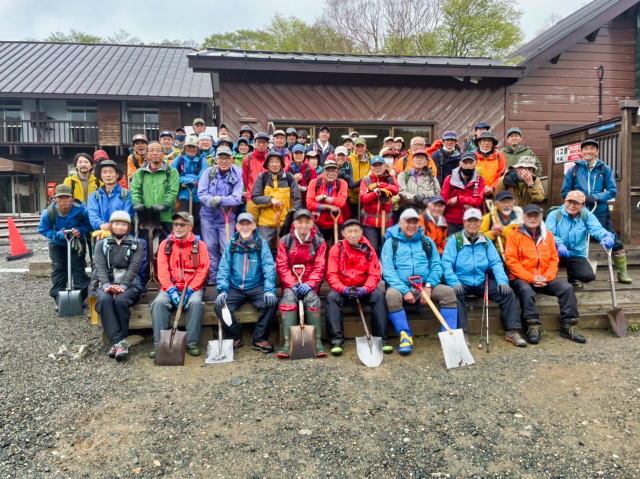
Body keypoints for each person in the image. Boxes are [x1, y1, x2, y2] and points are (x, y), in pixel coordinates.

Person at [442, 208, 525, 347]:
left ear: (481, 223)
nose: (472, 224)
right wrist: (453, 282)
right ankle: (463, 333)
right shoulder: (455, 240)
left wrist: (502, 281)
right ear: (464, 222)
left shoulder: (486, 241)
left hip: (481, 280)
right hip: (461, 281)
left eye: (476, 221)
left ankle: (512, 331)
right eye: (469, 221)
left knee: (508, 293)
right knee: (455, 295)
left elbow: (495, 262)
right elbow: (446, 263)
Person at [505, 204, 586, 344]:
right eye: (529, 215)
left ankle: (568, 326)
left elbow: (554, 259)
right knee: (525, 290)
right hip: (521, 278)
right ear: (523, 217)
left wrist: (547, 277)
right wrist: (531, 278)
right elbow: (511, 261)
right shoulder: (514, 235)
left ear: (541, 217)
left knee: (567, 288)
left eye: (535, 215)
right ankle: (532, 325)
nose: (532, 218)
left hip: (544, 277)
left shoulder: (548, 235)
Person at [381, 208, 457, 354]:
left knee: (448, 292)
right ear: (400, 223)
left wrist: (429, 286)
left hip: (425, 284)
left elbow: (436, 265)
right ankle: (405, 336)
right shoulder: (391, 243)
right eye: (408, 222)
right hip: (401, 285)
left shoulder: (426, 242)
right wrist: (404, 290)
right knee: (391, 295)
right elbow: (388, 270)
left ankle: (449, 335)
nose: (411, 225)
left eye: (415, 222)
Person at [560, 139, 630, 283]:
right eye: (586, 148)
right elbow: (565, 191)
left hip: (600, 212)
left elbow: (612, 191)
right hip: (578, 213)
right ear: (581, 151)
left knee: (615, 242)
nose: (589, 151)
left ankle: (622, 273)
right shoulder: (573, 170)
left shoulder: (605, 169)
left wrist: (595, 197)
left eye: (592, 148)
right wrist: (578, 197)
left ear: (597, 151)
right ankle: (574, 276)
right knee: (574, 243)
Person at [149, 212, 209, 358]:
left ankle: (192, 343)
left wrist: (190, 289)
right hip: (171, 286)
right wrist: (171, 290)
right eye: (175, 224)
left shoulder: (199, 245)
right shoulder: (166, 244)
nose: (178, 227)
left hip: (192, 287)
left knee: (196, 303)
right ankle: (159, 344)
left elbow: (202, 270)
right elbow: (162, 271)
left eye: (182, 224)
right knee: (158, 303)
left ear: (190, 226)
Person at [214, 212, 277, 353]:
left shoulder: (261, 243)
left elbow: (268, 267)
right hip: (235, 287)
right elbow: (223, 268)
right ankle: (235, 337)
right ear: (236, 226)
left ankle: (259, 339)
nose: (245, 227)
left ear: (254, 226)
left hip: (256, 286)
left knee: (271, 303)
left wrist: (269, 290)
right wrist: (222, 290)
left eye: (248, 224)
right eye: (241, 224)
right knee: (219, 306)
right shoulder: (231, 244)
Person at [326, 219, 389, 355]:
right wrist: (342, 289)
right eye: (349, 231)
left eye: (356, 231)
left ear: (361, 232)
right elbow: (331, 274)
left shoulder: (369, 249)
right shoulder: (336, 249)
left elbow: (374, 273)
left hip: (363, 287)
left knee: (379, 296)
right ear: (343, 233)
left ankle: (381, 339)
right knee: (332, 297)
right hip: (343, 287)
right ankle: (336, 341)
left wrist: (365, 289)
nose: (353, 235)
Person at [93, 211, 145, 360]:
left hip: (130, 284)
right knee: (105, 299)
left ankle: (115, 344)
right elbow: (100, 268)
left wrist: (123, 286)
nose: (120, 227)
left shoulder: (136, 244)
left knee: (121, 300)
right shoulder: (101, 244)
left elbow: (134, 268)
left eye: (123, 224)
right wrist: (107, 285)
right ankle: (120, 343)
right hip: (107, 283)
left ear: (128, 227)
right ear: (111, 225)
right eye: (116, 224)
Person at [275, 209, 327, 358]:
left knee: (313, 299)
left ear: (312, 223)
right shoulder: (285, 241)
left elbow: (320, 265)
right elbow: (282, 265)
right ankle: (288, 343)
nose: (303, 225)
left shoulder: (319, 242)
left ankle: (317, 341)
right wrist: (291, 283)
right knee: (288, 300)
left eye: (307, 222)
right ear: (294, 223)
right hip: (290, 284)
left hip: (310, 284)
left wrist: (310, 283)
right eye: (300, 222)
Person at [546, 190, 614, 286]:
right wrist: (559, 244)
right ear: (565, 202)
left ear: (582, 205)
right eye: (569, 202)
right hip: (555, 252)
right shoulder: (554, 214)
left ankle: (572, 274)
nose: (572, 205)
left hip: (576, 254)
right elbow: (548, 234)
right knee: (548, 278)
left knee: (587, 276)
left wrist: (606, 235)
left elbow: (596, 228)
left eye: (576, 203)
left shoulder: (586, 215)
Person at [38, 184, 91, 305]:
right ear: (55, 199)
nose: (64, 201)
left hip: (76, 243)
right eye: (60, 198)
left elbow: (89, 225)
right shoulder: (49, 213)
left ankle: (80, 297)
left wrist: (80, 231)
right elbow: (42, 229)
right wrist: (57, 234)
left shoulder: (82, 211)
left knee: (78, 268)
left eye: (67, 197)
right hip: (57, 244)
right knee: (58, 269)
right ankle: (59, 298)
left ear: (72, 198)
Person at [198, 146, 243, 285]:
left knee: (227, 247)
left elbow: (237, 198)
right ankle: (213, 276)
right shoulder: (208, 172)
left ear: (232, 159)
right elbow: (202, 193)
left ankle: (225, 276)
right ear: (216, 159)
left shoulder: (237, 174)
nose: (224, 161)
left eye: (227, 158)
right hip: (208, 217)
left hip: (227, 218)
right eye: (221, 158)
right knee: (210, 247)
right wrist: (211, 201)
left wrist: (220, 200)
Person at [130, 141, 180, 238]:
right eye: (151, 150)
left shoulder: (171, 172)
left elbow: (173, 191)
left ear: (163, 154)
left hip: (166, 216)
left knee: (168, 243)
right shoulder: (140, 173)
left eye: (158, 150)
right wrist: (136, 203)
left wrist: (165, 204)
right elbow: (135, 190)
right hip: (146, 217)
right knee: (144, 243)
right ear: (147, 154)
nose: (155, 153)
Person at [251, 151, 302, 245]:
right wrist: (270, 200)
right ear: (267, 164)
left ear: (281, 164)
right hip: (266, 222)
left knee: (287, 247)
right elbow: (255, 197)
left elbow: (297, 199)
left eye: (277, 161)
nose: (274, 164)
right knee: (263, 246)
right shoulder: (262, 177)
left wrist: (296, 218)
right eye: (271, 161)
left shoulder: (289, 178)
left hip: (285, 222)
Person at [360, 155, 399, 253]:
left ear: (384, 166)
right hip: (369, 221)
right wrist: (377, 192)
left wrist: (380, 185)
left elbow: (396, 190)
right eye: (375, 165)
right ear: (371, 167)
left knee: (387, 248)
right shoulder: (366, 180)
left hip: (387, 221)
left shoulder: (390, 178)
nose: (377, 168)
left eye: (380, 165)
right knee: (372, 248)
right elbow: (364, 199)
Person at [306, 158, 349, 244]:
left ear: (337, 173)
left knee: (338, 246)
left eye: (333, 171)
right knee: (318, 246)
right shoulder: (314, 183)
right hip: (318, 222)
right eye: (328, 170)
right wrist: (328, 207)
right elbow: (310, 204)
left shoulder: (342, 183)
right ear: (323, 172)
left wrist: (324, 197)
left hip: (336, 221)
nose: (330, 173)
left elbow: (341, 202)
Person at [441, 152, 485, 234]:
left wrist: (459, 199)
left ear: (475, 163)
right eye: (465, 163)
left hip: (472, 220)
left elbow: (478, 200)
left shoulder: (480, 180)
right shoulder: (449, 179)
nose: (468, 166)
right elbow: (444, 200)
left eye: (471, 163)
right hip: (452, 220)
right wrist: (468, 201)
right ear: (460, 163)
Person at [172, 136, 208, 234]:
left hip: (198, 195)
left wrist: (185, 178)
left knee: (197, 219)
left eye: (193, 147)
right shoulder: (178, 160)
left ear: (197, 148)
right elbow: (173, 175)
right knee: (184, 218)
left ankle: (196, 239)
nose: (191, 149)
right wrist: (190, 180)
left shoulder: (202, 160)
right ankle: (183, 237)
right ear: (185, 147)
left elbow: (203, 175)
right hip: (184, 195)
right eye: (188, 146)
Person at [87, 159, 134, 236]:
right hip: (102, 237)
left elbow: (128, 215)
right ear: (101, 176)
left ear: (117, 175)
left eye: (111, 172)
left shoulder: (127, 194)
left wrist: (115, 226)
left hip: (123, 236)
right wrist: (101, 225)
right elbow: (93, 216)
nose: (108, 175)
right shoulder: (95, 196)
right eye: (104, 172)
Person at [480, 190, 523, 257]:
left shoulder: (521, 218)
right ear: (496, 204)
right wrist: (492, 234)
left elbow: (521, 240)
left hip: (517, 256)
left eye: (509, 202)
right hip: (495, 257)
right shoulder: (488, 218)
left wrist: (503, 230)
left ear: (513, 203)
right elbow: (478, 240)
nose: (506, 205)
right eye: (503, 202)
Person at [242, 132, 269, 216]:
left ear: (267, 144)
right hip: (252, 197)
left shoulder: (271, 158)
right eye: (259, 142)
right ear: (254, 143)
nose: (261, 144)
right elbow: (245, 180)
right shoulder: (247, 159)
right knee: (252, 221)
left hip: (267, 196)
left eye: (264, 142)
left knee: (266, 222)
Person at [474, 131, 506, 196]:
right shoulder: (473, 157)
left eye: (489, 141)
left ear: (492, 144)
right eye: (484, 140)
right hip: (477, 190)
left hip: (495, 191)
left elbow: (501, 174)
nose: (486, 143)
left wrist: (492, 187)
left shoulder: (499, 156)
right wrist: (483, 187)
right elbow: (470, 174)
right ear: (479, 143)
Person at [348, 137, 372, 218]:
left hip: (366, 197)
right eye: (357, 146)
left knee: (364, 220)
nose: (360, 148)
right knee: (351, 220)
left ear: (366, 147)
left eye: (362, 146)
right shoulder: (349, 159)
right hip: (351, 197)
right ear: (354, 147)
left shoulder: (371, 159)